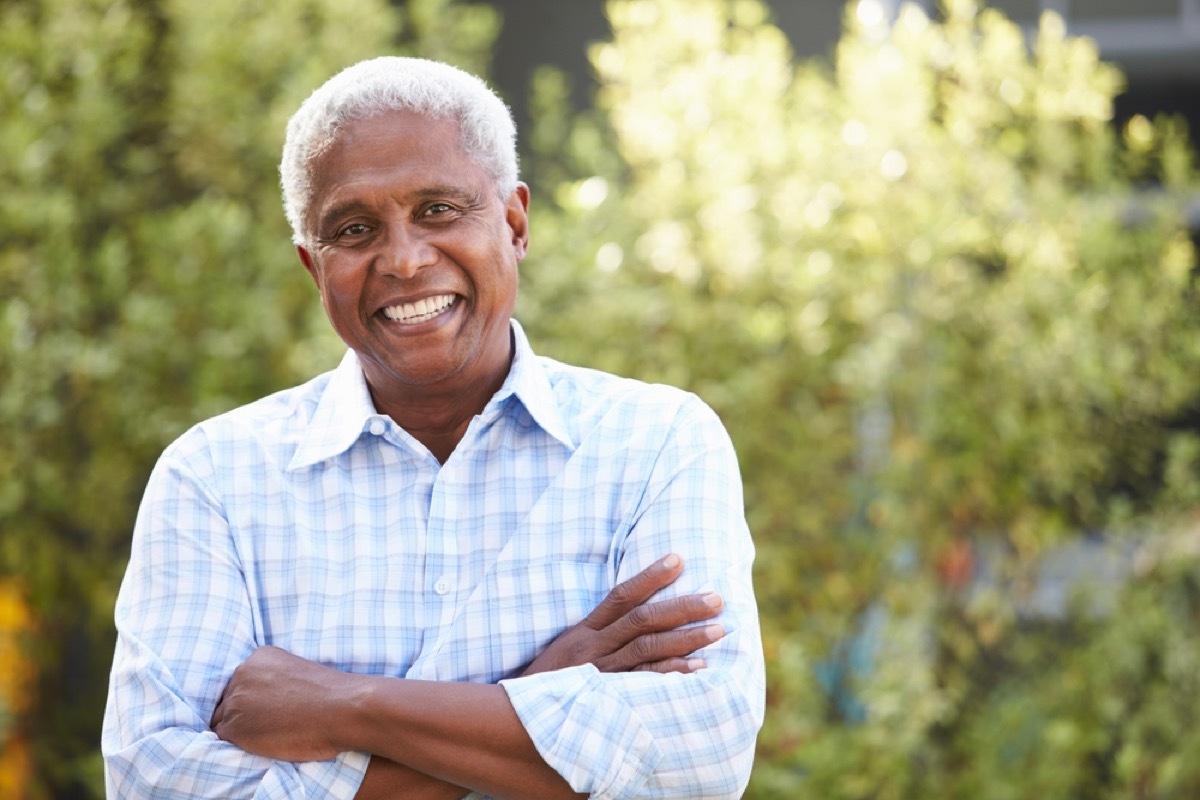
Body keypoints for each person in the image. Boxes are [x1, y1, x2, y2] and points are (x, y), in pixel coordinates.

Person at [102, 56, 764, 799]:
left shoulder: (656, 444)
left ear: (514, 224)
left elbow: (698, 760)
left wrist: (344, 706)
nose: (407, 260)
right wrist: (543, 696)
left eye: (439, 210)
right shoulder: (213, 480)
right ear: (313, 269)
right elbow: (155, 783)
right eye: (354, 229)